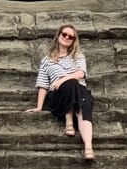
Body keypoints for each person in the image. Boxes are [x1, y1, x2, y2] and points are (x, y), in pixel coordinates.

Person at [33, 24, 95, 161]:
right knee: (71, 85)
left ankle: (88, 147)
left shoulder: (78, 56)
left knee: (84, 107)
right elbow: (43, 85)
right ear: (58, 36)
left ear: (74, 41)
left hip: (79, 91)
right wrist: (39, 107)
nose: (67, 37)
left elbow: (80, 74)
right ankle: (68, 123)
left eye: (71, 37)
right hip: (57, 97)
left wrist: (62, 80)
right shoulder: (47, 60)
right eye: (64, 34)